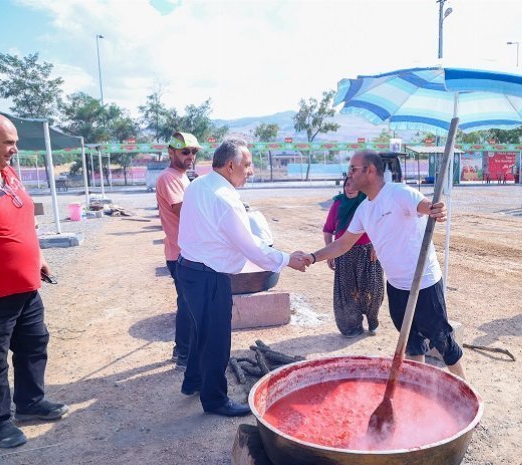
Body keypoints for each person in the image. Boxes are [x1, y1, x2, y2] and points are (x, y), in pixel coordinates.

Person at [303, 151, 467, 380]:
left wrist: (435, 209)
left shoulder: (399, 193)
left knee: (442, 339)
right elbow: (343, 244)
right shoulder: (364, 209)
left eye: (353, 169)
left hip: (424, 283)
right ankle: (417, 383)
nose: (349, 175)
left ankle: (465, 388)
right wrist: (312, 257)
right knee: (411, 341)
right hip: (396, 286)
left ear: (369, 171)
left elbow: (425, 206)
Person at [176, 138, 308, 416]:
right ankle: (215, 401)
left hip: (188, 269)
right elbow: (250, 248)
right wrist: (286, 259)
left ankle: (193, 382)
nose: (251, 171)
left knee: (200, 332)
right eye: (247, 165)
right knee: (216, 341)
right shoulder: (225, 199)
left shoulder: (199, 184)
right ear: (230, 165)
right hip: (209, 276)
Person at [0, 113, 68, 448]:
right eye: (9, 142)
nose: (15, 149)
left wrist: (37, 257)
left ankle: (30, 403)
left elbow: (20, 220)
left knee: (34, 345)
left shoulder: (7, 173)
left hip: (26, 289)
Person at [155, 131, 201, 371]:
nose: (190, 156)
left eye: (194, 152)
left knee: (188, 302)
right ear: (171, 152)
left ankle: (183, 350)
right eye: (185, 151)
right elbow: (183, 211)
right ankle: (183, 353)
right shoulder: (169, 178)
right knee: (187, 303)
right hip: (180, 252)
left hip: (185, 250)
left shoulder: (182, 177)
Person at [322, 178, 384, 338]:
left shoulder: (369, 203)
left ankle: (373, 320)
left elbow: (382, 226)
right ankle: (352, 326)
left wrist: (376, 246)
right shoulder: (338, 205)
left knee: (372, 292)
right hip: (343, 254)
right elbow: (328, 229)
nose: (350, 188)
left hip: (368, 253)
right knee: (347, 293)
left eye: (354, 185)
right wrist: (329, 252)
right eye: (347, 185)